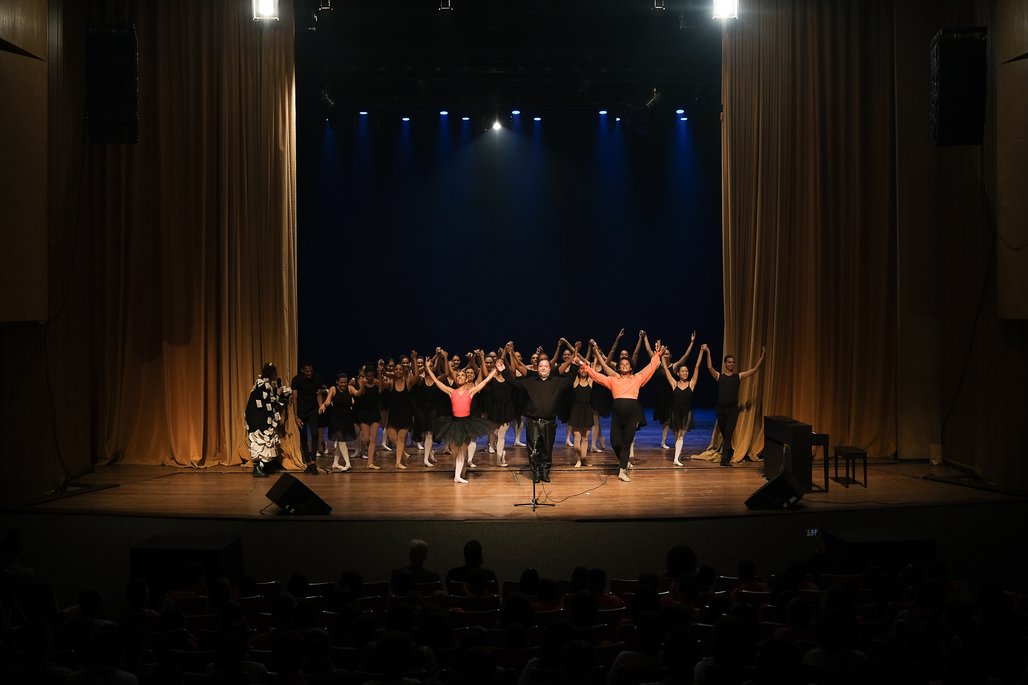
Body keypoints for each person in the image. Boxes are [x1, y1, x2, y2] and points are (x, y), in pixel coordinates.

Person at [579, 339, 666, 482]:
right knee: (615, 442)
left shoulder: (637, 378)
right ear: (618, 368)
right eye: (622, 364)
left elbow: (650, 368)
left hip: (632, 415)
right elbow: (597, 376)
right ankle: (624, 462)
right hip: (618, 416)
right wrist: (584, 365)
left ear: (631, 368)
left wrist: (657, 355)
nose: (624, 365)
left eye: (627, 364)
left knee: (626, 442)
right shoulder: (613, 380)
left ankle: (623, 470)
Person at [502, 342, 577, 483]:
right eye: (541, 366)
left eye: (546, 366)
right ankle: (536, 472)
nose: (543, 368)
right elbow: (513, 383)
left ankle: (545, 472)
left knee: (547, 448)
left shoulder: (557, 382)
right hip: (533, 421)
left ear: (550, 368)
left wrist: (575, 365)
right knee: (533, 448)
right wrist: (503, 371)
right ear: (537, 368)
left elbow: (570, 379)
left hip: (549, 422)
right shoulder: (529, 381)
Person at [425, 357, 497, 484]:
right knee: (455, 452)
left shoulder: (470, 391)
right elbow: (436, 381)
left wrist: (495, 370)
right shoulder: (451, 391)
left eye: (462, 375)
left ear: (467, 379)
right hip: (454, 423)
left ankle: (457, 476)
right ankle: (459, 472)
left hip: (467, 423)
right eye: (458, 376)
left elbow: (485, 381)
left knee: (462, 451)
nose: (460, 377)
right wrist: (428, 368)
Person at [701, 343, 766, 466]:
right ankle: (729, 451)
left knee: (728, 434)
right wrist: (707, 351)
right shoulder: (719, 376)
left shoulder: (738, 377)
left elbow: (754, 370)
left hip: (732, 410)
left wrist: (762, 356)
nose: (731, 364)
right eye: (729, 362)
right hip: (720, 409)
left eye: (733, 362)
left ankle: (724, 460)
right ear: (725, 364)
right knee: (724, 433)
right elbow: (709, 367)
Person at [245, 362, 292, 477]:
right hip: (259, 419)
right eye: (275, 373)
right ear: (272, 374)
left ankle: (265, 465)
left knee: (267, 440)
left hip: (261, 417)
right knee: (261, 441)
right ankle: (258, 468)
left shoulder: (262, 384)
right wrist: (279, 394)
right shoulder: (264, 385)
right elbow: (269, 402)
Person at [660, 345, 702, 466]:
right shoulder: (674, 383)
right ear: (678, 373)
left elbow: (697, 367)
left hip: (686, 414)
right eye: (683, 371)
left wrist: (701, 352)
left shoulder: (691, 384)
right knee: (676, 436)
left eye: (686, 371)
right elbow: (665, 369)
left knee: (680, 436)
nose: (685, 373)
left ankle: (676, 459)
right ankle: (676, 457)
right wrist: (662, 355)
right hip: (675, 413)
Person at [290, 360, 323, 475]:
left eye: (311, 371)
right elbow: (294, 398)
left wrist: (321, 406)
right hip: (301, 411)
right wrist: (295, 416)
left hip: (313, 410)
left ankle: (313, 461)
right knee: (303, 436)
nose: (309, 373)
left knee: (314, 434)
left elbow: (318, 393)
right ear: (302, 371)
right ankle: (308, 463)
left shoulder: (317, 378)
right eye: (307, 371)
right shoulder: (296, 380)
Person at [320, 372, 356, 472]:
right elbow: (327, 401)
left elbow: (355, 397)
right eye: (341, 382)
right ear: (337, 382)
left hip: (347, 418)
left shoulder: (349, 389)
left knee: (341, 440)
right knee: (341, 439)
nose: (343, 384)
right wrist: (323, 406)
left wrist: (361, 386)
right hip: (336, 418)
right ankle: (348, 463)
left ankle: (335, 463)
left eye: (345, 382)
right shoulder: (333, 389)